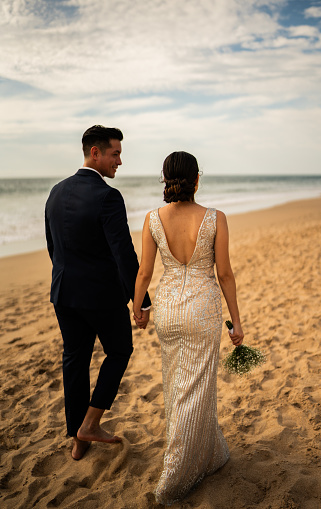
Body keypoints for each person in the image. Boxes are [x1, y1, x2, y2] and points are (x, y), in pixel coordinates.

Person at [133, 151, 244, 505]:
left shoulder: (152, 218)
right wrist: (236, 322)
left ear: (166, 180)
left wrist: (139, 308)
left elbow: (144, 273)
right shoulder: (215, 218)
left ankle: (209, 455)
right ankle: (176, 473)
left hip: (167, 309)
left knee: (177, 384)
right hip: (202, 309)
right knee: (197, 386)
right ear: (197, 179)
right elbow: (224, 273)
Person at [45, 125, 151, 460]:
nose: (120, 160)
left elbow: (53, 248)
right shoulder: (108, 196)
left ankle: (79, 440)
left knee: (74, 361)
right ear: (95, 153)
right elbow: (124, 254)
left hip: (64, 293)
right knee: (119, 351)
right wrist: (141, 299)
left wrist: (68, 277)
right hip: (102, 297)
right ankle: (90, 423)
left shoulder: (56, 192)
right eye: (115, 153)